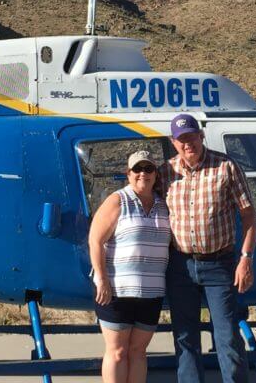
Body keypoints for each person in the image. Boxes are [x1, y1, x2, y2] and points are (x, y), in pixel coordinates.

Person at [158, 114, 256, 383]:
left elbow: (248, 215)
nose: (187, 143)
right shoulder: (165, 172)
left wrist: (245, 259)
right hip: (179, 265)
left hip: (219, 264)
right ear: (173, 142)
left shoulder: (226, 167)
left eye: (191, 137)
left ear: (201, 136)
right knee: (184, 337)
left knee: (227, 335)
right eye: (181, 139)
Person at [89, 150, 171, 383]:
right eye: (137, 169)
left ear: (156, 174)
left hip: (151, 292)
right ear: (128, 173)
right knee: (117, 353)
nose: (142, 174)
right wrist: (102, 279)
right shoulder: (118, 200)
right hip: (117, 291)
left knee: (138, 352)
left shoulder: (163, 205)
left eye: (148, 169)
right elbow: (95, 239)